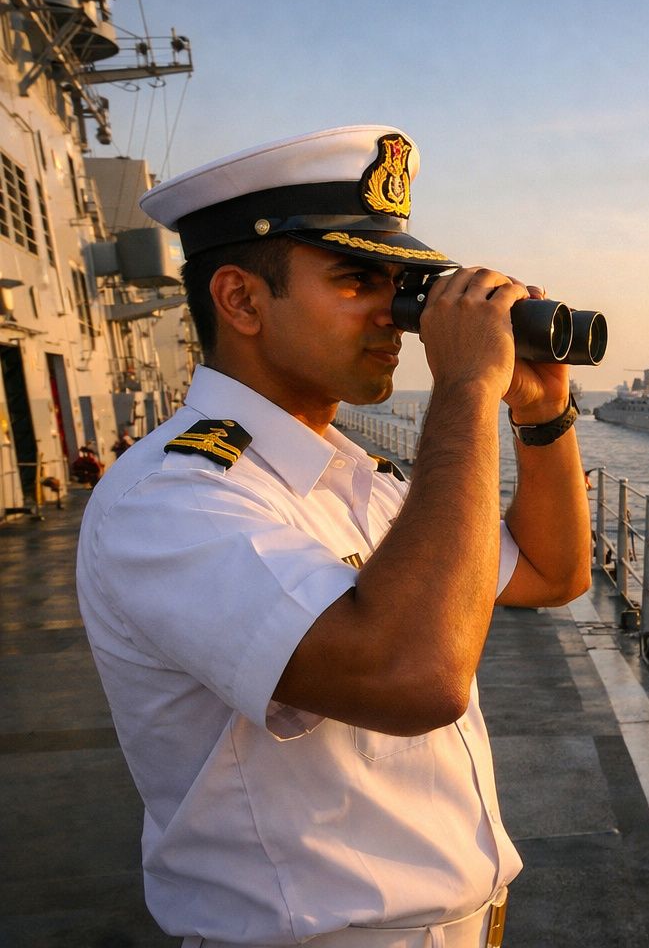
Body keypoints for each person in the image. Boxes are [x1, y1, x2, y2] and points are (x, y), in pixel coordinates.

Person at [75, 125, 590, 947]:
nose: (394, 313)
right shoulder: (169, 499)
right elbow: (415, 678)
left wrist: (539, 409)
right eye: (357, 280)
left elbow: (552, 573)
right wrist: (461, 388)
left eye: (402, 286)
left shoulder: (351, 476)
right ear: (241, 300)